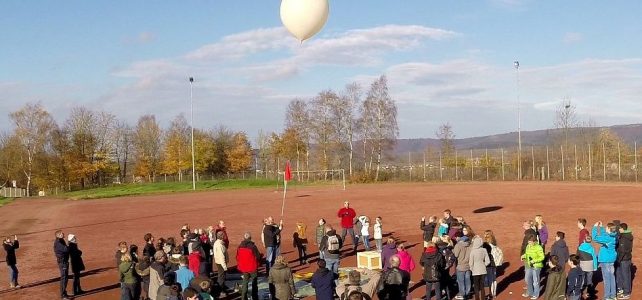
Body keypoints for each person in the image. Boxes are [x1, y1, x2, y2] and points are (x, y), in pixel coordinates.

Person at [592, 221, 617, 300]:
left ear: (609, 229)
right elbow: (605, 235)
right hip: (611, 259)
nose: (605, 228)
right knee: (612, 277)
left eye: (606, 228)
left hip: (606, 260)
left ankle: (607, 297)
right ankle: (613, 295)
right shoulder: (613, 236)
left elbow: (595, 238)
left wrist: (595, 227)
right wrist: (602, 228)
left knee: (606, 279)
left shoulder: (608, 238)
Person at [237, 232, 261, 300]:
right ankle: (255, 297)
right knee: (254, 282)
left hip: (244, 268)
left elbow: (237, 257)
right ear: (250, 238)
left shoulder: (240, 246)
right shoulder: (253, 247)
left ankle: (243, 297)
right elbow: (258, 256)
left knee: (245, 282)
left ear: (244, 238)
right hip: (252, 267)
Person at [521, 235, 545, 300]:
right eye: (528, 242)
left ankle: (536, 294)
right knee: (527, 279)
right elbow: (527, 254)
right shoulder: (528, 246)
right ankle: (530, 292)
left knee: (535, 281)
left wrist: (534, 261)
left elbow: (542, 257)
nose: (529, 243)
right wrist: (524, 256)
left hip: (536, 266)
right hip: (529, 265)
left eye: (530, 242)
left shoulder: (539, 247)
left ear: (534, 241)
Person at [469, 236, 490, 300]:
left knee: (476, 286)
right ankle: (483, 298)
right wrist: (484, 265)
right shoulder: (484, 250)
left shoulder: (472, 251)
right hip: (483, 270)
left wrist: (472, 269)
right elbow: (488, 261)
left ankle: (477, 298)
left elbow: (471, 262)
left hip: (475, 271)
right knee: (482, 286)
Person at [616, 223, 632, 299]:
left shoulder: (623, 238)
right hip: (628, 258)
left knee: (625, 276)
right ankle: (625, 290)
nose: (619, 230)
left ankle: (626, 293)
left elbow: (622, 251)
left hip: (624, 259)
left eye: (619, 228)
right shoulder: (629, 236)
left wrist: (618, 260)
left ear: (622, 229)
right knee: (627, 275)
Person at [453, 235, 472, 300]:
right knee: (468, 280)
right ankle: (467, 293)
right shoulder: (470, 245)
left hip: (460, 266)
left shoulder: (458, 245)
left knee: (461, 281)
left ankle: (462, 294)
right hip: (468, 266)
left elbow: (455, 254)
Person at [482, 230, 499, 299]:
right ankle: (494, 293)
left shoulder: (485, 244)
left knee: (489, 279)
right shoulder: (494, 243)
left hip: (488, 264)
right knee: (494, 278)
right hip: (494, 263)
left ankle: (491, 293)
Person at [54, 230, 71, 300]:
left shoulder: (61, 240)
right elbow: (66, 249)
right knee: (64, 278)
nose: (63, 234)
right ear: (58, 235)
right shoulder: (58, 243)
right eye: (61, 233)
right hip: (62, 262)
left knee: (66, 277)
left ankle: (64, 292)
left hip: (64, 261)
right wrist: (70, 245)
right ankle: (63, 295)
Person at [213, 231, 230, 296]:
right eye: (224, 235)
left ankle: (221, 288)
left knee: (221, 276)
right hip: (221, 263)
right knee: (221, 277)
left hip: (219, 262)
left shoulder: (218, 243)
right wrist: (225, 267)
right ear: (222, 236)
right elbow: (221, 257)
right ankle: (221, 291)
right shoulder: (220, 245)